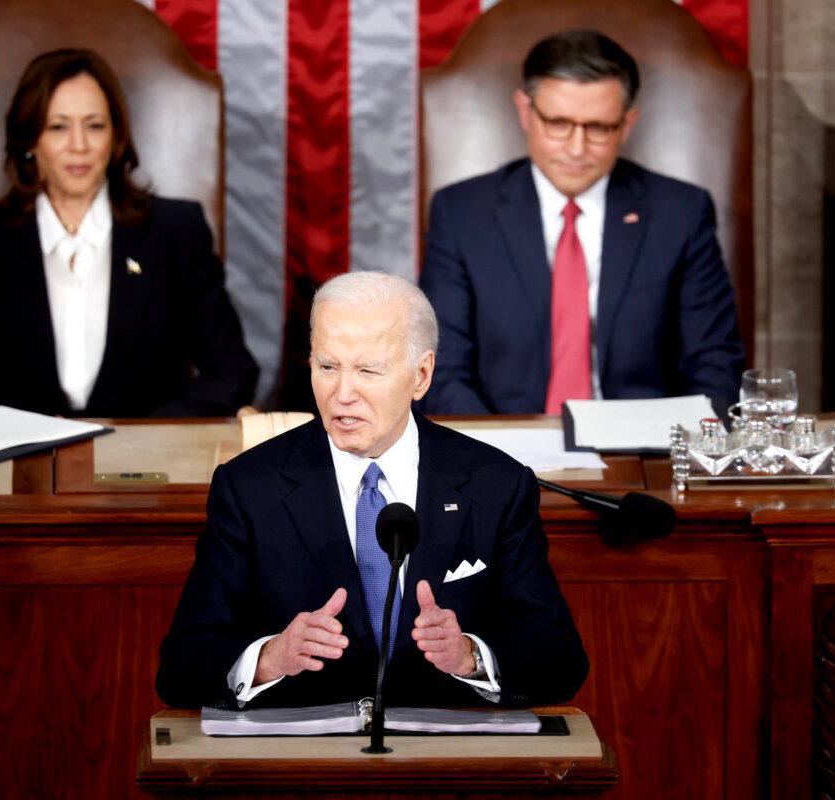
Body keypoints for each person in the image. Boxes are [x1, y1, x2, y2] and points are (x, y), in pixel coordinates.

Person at [157, 271, 587, 709]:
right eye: (327, 367)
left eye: (368, 370)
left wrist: (469, 656)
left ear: (421, 374)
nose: (342, 393)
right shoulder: (249, 488)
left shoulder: (496, 485)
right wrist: (270, 658)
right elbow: (181, 669)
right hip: (303, 763)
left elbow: (560, 660)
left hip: (445, 764)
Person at [0, 49, 257, 419]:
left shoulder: (176, 231)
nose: (79, 146)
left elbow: (232, 373)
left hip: (140, 473)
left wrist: (146, 436)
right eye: (58, 127)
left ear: (116, 138)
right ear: (30, 142)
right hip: (7, 474)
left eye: (94, 125)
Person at [419, 30, 744, 417]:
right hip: (504, 450)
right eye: (558, 123)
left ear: (626, 124)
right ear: (525, 111)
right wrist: (496, 460)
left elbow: (715, 364)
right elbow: (441, 368)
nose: (576, 148)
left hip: (644, 453)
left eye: (598, 128)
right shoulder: (462, 213)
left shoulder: (681, 212)